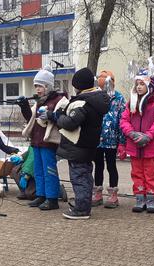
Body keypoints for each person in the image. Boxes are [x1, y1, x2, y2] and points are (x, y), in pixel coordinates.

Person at [45, 67, 109, 219]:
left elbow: (70, 123)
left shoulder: (83, 102)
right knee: (85, 176)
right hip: (88, 145)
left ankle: (81, 210)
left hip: (78, 146)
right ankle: (83, 204)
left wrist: (56, 116)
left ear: (79, 85)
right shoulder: (96, 99)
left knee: (79, 178)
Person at [17, 66, 67, 210]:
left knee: (49, 170)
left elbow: (62, 119)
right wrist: (24, 106)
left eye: (40, 86)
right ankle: (41, 195)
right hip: (36, 141)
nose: (37, 89)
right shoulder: (39, 101)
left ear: (48, 86)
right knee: (38, 169)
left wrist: (51, 116)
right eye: (36, 86)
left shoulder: (58, 100)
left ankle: (52, 199)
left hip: (48, 142)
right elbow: (30, 118)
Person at [120, 70, 154, 213]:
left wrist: (148, 135)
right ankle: (140, 196)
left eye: (142, 84)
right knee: (137, 172)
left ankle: (151, 196)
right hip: (135, 145)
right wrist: (131, 133)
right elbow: (124, 120)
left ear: (149, 85)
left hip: (150, 145)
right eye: (137, 84)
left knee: (151, 172)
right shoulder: (132, 102)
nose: (139, 87)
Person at [92, 70, 127, 208]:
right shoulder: (95, 96)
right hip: (97, 139)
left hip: (112, 140)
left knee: (111, 166)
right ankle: (98, 192)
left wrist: (122, 142)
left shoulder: (118, 99)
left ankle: (113, 194)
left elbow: (122, 120)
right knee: (98, 166)